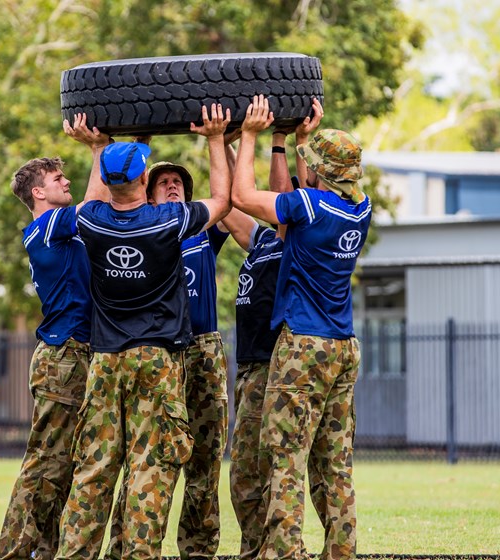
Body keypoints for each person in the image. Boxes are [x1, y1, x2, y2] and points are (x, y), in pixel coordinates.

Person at [54, 103, 231, 560]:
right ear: (144, 180)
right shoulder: (167, 222)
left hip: (106, 359)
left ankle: (74, 554)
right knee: (148, 467)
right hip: (156, 360)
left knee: (94, 468)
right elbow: (223, 202)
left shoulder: (89, 220)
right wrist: (215, 138)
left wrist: (97, 147)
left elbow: (94, 195)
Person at [231, 95, 371, 560]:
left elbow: (244, 199)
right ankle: (341, 552)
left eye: (308, 165)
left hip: (304, 348)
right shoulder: (359, 209)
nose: (302, 169)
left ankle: (284, 554)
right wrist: (296, 142)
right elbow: (289, 202)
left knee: (284, 457)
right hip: (344, 348)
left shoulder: (311, 208)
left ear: (318, 176)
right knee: (335, 464)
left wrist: (249, 136)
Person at [105, 149, 233, 560]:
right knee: (146, 460)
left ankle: (198, 550)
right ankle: (129, 547)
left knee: (206, 462)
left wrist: (223, 141)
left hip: (203, 350)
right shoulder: (138, 232)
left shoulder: (199, 232)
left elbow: (224, 196)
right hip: (159, 354)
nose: (173, 184)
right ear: (146, 191)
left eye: (179, 181)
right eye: (163, 181)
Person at [0, 115, 109, 559]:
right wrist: (98, 149)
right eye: (58, 179)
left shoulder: (63, 232)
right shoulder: (46, 227)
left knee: (67, 465)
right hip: (62, 356)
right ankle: (13, 552)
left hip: (79, 352)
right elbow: (95, 202)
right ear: (37, 193)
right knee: (46, 463)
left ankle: (47, 549)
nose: (67, 183)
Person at [227, 99, 322, 560]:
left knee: (273, 470)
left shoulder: (291, 238)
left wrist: (281, 140)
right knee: (244, 475)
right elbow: (228, 203)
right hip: (247, 370)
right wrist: (222, 146)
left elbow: (286, 198)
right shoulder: (261, 239)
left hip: (274, 366)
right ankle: (255, 549)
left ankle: (282, 548)